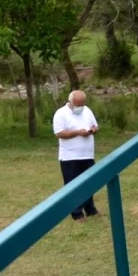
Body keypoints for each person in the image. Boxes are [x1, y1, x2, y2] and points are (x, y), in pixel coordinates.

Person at [53, 90, 100, 221]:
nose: (81, 107)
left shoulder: (87, 111)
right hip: (70, 157)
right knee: (72, 185)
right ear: (71, 102)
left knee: (89, 183)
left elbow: (95, 125)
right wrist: (77, 133)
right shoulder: (61, 113)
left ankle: (90, 209)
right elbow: (59, 133)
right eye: (78, 104)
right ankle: (76, 213)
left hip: (87, 155)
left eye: (83, 104)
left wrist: (94, 130)